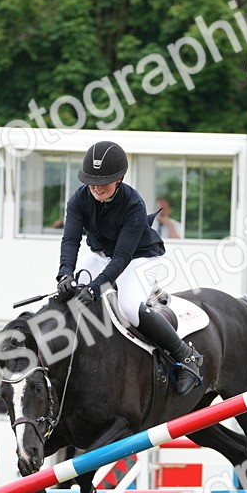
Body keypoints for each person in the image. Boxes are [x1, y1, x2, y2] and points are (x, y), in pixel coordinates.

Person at [55, 141, 203, 394]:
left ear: (120, 179)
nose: (97, 187)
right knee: (66, 298)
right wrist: (65, 273)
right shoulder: (79, 199)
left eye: (104, 181)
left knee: (129, 307)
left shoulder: (133, 204)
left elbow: (122, 259)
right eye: (92, 180)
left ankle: (187, 355)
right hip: (101, 255)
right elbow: (70, 240)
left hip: (139, 258)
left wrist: (93, 289)